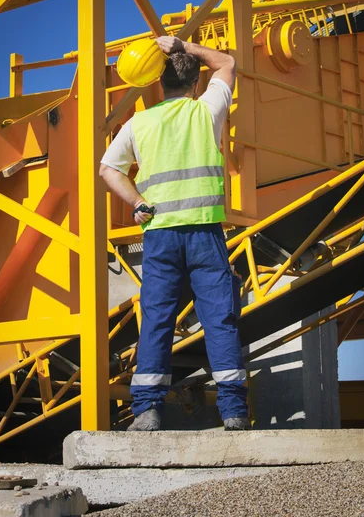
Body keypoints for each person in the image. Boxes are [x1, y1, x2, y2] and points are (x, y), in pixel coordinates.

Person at [100, 36, 249, 431]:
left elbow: (108, 169)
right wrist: (185, 44)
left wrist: (136, 202)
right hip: (203, 232)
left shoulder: (139, 122)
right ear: (196, 84)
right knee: (219, 319)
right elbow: (227, 63)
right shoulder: (207, 111)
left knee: (157, 321)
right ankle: (233, 412)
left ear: (157, 83)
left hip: (160, 234)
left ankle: (147, 410)